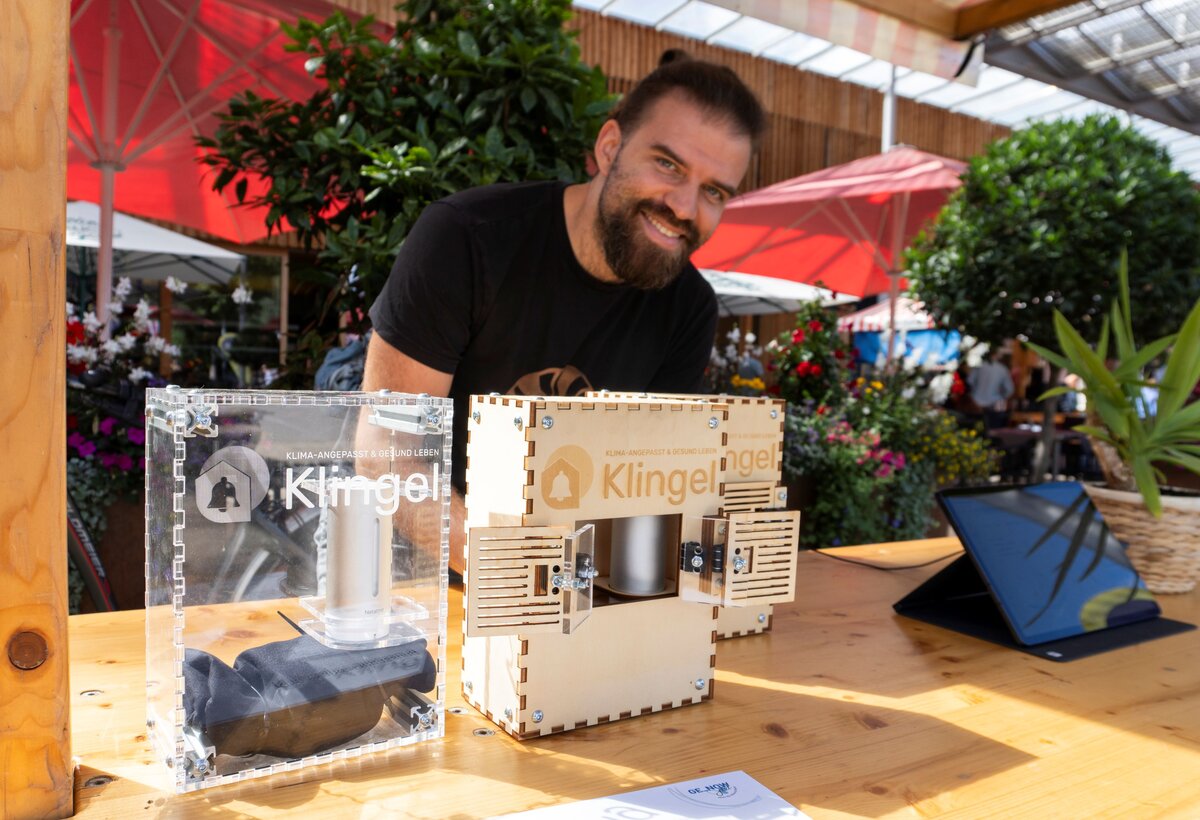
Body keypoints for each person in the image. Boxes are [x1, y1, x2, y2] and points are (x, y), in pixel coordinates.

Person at [361, 54, 765, 574]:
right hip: (414, 579)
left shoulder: (689, 308)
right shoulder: (467, 239)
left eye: (714, 192)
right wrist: (521, 570)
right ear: (609, 146)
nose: (686, 207)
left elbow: (656, 483)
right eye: (668, 164)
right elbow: (386, 451)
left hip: (579, 590)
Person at [968, 349, 1014, 430]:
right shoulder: (1002, 369)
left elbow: (970, 381)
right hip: (994, 404)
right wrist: (1002, 397)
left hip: (976, 404)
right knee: (993, 432)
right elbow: (1010, 390)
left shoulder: (979, 366)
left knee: (976, 431)